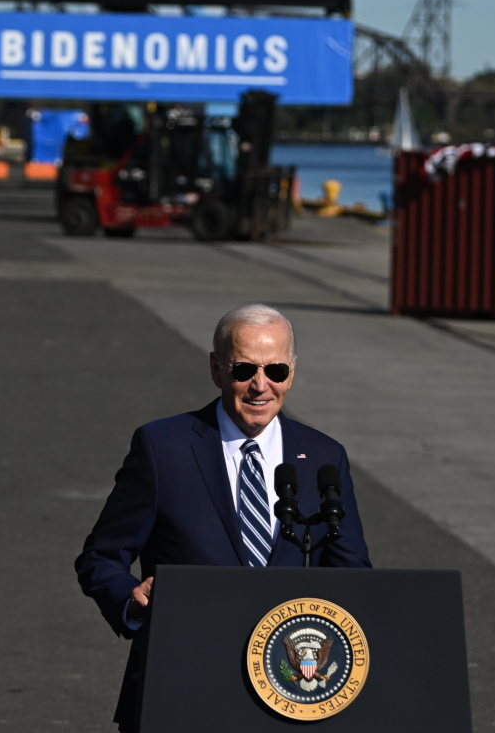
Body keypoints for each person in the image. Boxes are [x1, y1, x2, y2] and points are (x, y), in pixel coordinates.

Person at [74, 304, 371, 731]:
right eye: (244, 369)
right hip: (181, 691)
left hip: (292, 702)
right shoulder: (163, 448)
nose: (260, 386)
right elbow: (100, 557)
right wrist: (131, 600)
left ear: (293, 371)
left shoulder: (324, 457)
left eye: (276, 371)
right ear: (216, 369)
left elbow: (354, 575)